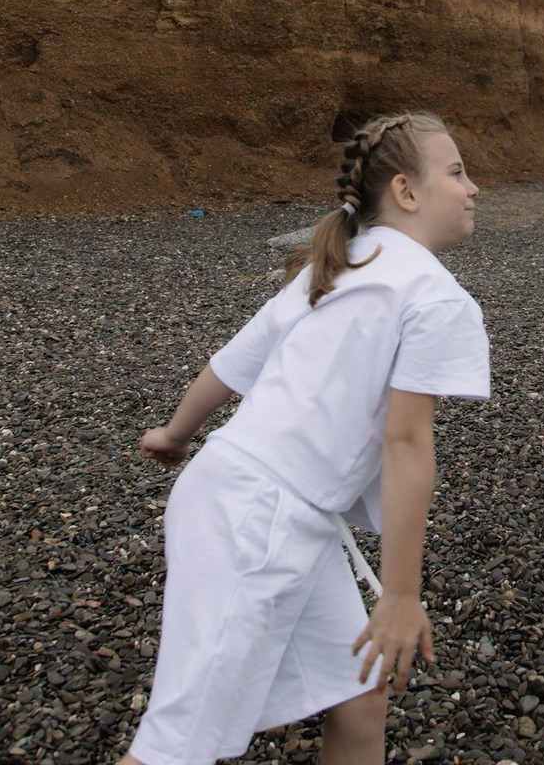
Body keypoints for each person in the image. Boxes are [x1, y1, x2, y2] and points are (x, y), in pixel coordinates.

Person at [116, 111, 490, 765]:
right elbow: (406, 444)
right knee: (175, 747)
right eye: (457, 173)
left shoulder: (337, 264)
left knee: (360, 686)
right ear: (406, 191)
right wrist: (402, 595)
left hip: (251, 501)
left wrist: (174, 434)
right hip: (259, 521)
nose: (473, 187)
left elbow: (229, 367)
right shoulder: (435, 296)